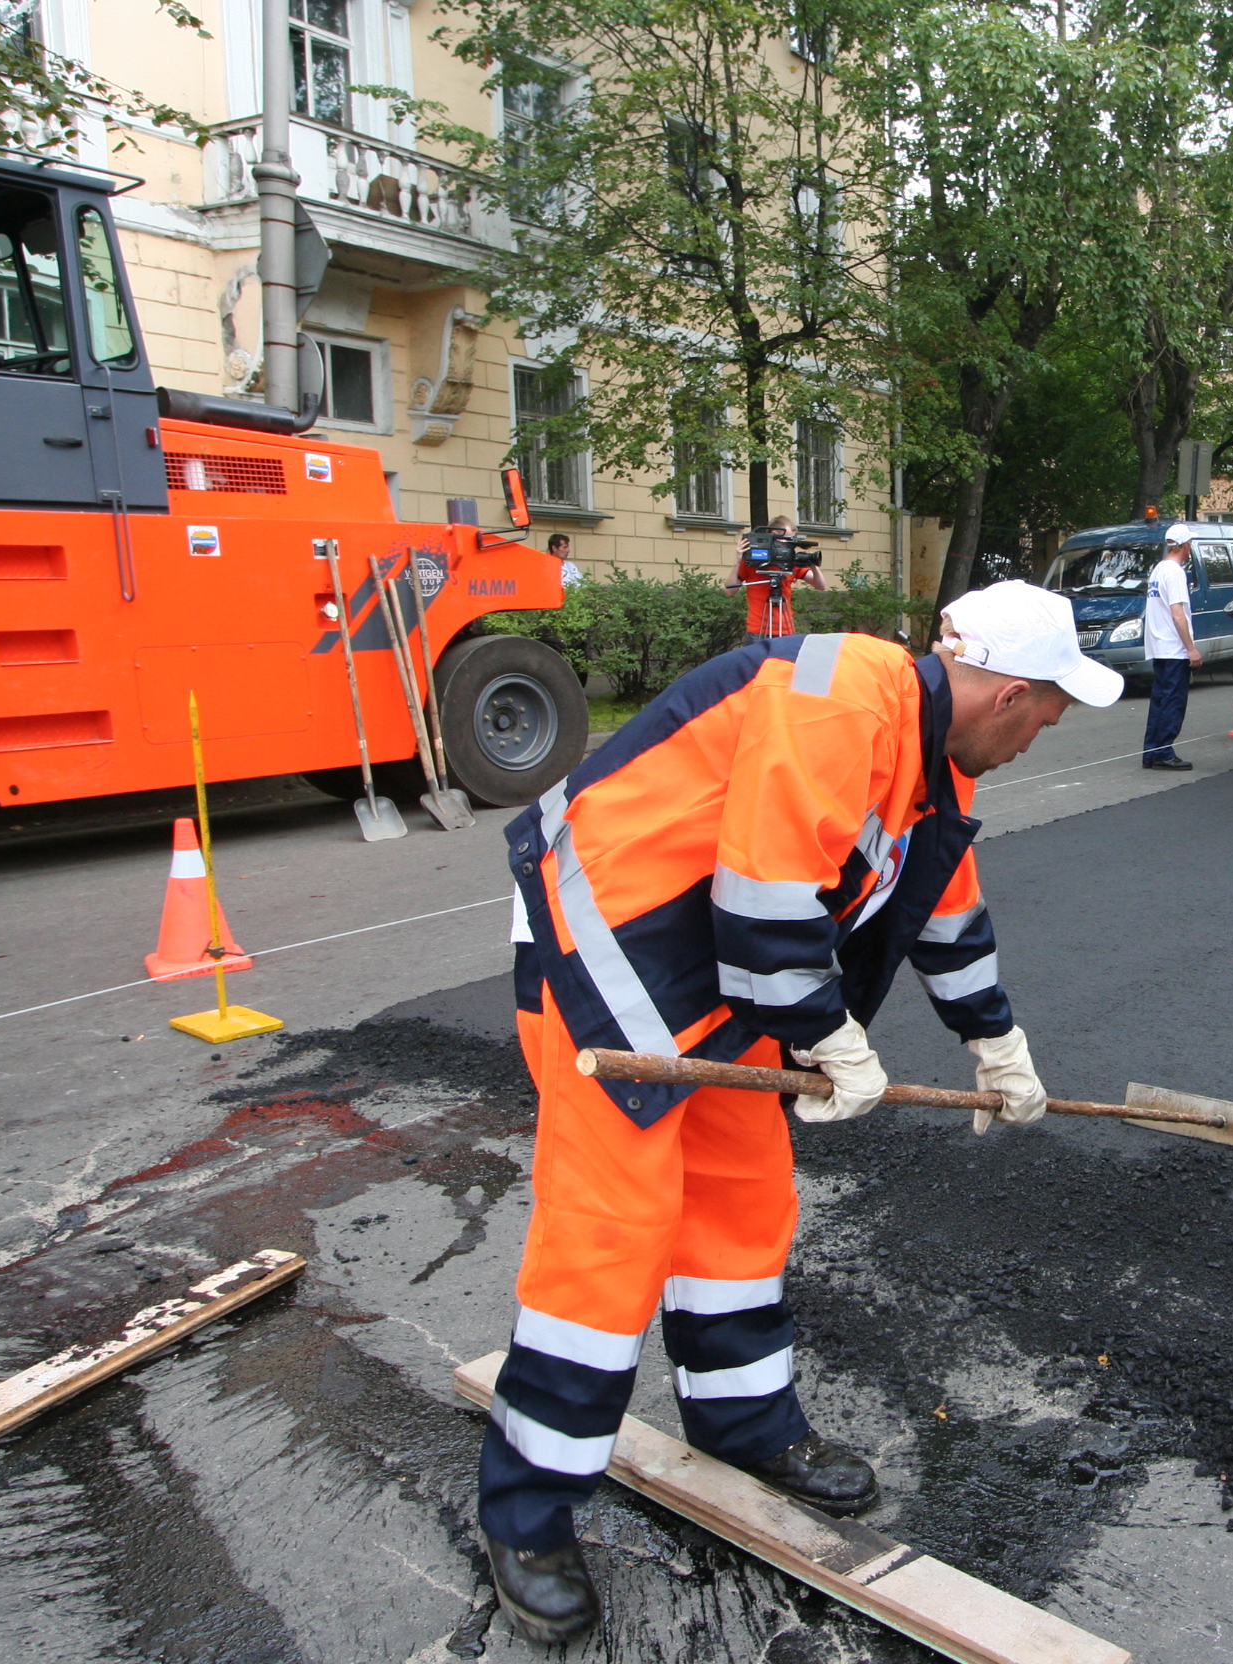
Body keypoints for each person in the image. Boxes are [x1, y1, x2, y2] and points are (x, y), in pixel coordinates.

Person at [477, 581, 1123, 1644]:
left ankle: (741, 1422)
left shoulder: (929, 759)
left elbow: (942, 909)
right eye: (1047, 718)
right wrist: (831, 1039)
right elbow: (767, 896)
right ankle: (528, 1514)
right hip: (609, 951)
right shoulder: (840, 699)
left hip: (715, 973)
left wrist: (996, 1042)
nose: (1039, 738)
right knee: (611, 1239)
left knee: (742, 1201)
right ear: (1009, 693)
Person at [1140, 526, 1204, 770]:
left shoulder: (1158, 570)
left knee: (1159, 700)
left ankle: (1151, 751)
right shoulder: (1175, 573)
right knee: (1173, 702)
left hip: (1158, 646)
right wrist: (1191, 648)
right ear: (1185, 545)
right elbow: (1178, 614)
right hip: (1174, 647)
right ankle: (1164, 751)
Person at [735, 514, 828, 637]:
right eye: (786, 540)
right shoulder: (753, 562)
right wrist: (737, 561)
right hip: (758, 630)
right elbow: (730, 590)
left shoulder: (790, 562)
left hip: (785, 629)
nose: (787, 546)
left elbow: (821, 586)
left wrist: (812, 562)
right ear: (775, 533)